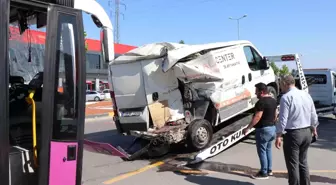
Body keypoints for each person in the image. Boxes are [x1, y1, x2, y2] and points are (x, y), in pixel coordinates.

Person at [275, 74, 319, 185]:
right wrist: (314, 128)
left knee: (293, 165)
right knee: (303, 162)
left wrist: (278, 135)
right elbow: (313, 113)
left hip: (293, 134)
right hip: (307, 132)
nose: (280, 87)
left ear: (285, 84)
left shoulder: (286, 97)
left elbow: (283, 119)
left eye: (280, 84)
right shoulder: (306, 95)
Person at [243, 82, 278, 179]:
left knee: (262, 151)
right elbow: (276, 115)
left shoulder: (261, 102)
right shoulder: (273, 101)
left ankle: (263, 173)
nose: (255, 94)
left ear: (261, 92)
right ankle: (269, 170)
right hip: (272, 128)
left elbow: (258, 116)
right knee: (268, 150)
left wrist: (248, 128)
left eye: (256, 92)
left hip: (263, 129)